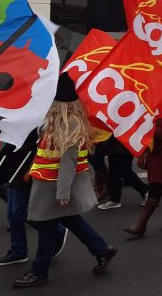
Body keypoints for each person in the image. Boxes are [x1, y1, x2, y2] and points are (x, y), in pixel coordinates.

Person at [14, 74, 117, 288]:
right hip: (49, 183)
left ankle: (39, 271)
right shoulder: (60, 120)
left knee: (46, 225)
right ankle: (102, 249)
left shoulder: (68, 122)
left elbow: (68, 160)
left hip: (54, 186)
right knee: (70, 220)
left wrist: (63, 192)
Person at [0, 128, 67, 267]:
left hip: (26, 162)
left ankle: (56, 230)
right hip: (14, 159)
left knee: (19, 210)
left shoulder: (38, 117)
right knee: (13, 213)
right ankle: (18, 250)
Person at [123, 84, 162, 236]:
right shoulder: (159, 109)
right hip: (159, 152)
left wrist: (151, 129)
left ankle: (141, 225)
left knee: (156, 186)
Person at [96, 136, 148, 210]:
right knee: (114, 173)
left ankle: (145, 190)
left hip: (124, 142)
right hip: (117, 144)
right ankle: (115, 199)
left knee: (124, 171)